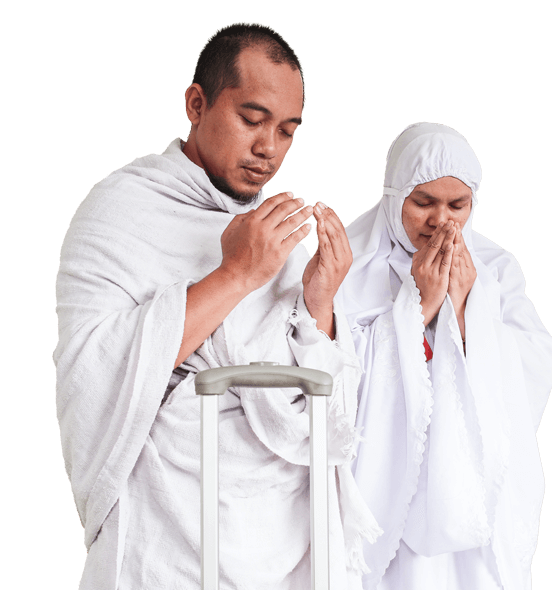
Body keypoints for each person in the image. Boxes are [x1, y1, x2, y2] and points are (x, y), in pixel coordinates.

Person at [54, 23, 380, 589]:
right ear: (196, 104)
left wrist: (320, 305)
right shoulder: (121, 211)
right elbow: (93, 377)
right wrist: (235, 275)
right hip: (170, 540)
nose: (268, 148)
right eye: (252, 120)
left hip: (283, 541)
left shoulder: (278, 237)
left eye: (287, 130)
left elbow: (322, 415)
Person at [336, 122, 552, 590]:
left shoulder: (495, 268)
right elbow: (332, 370)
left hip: (470, 490)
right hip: (387, 487)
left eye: (457, 205)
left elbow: (534, 362)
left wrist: (463, 308)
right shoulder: (348, 264)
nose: (441, 221)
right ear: (394, 197)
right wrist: (418, 307)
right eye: (423, 203)